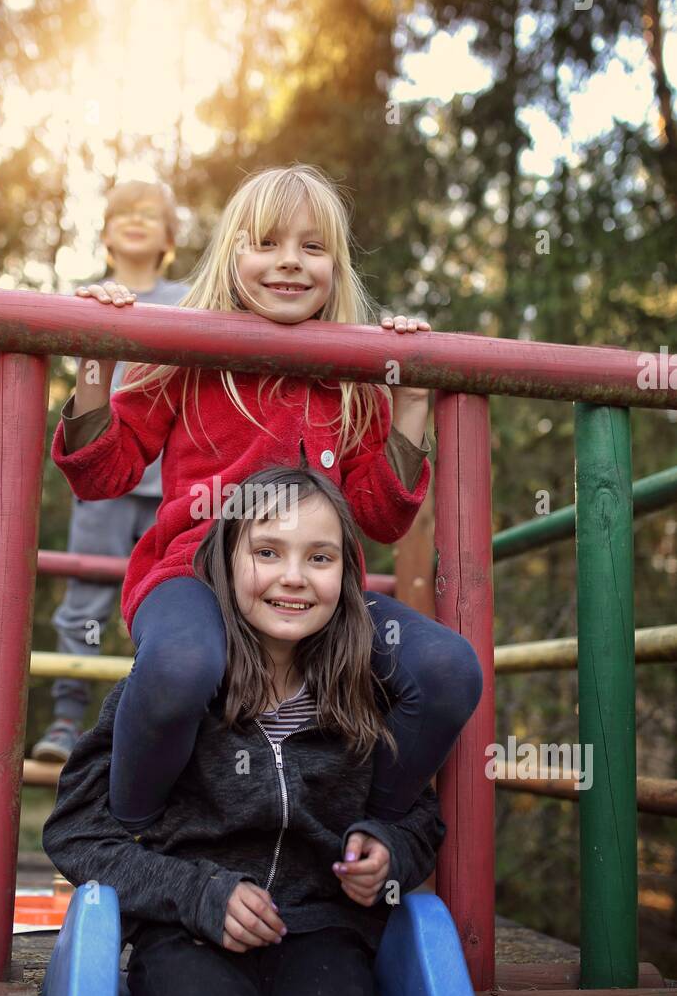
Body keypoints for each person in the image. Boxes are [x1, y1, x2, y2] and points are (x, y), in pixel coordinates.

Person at [52, 163, 483, 830]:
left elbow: (379, 517)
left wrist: (412, 400)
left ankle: (357, 834)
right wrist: (94, 363)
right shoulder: (186, 351)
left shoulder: (354, 374)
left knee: (448, 670)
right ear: (232, 254)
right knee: (183, 664)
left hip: (315, 591)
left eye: (313, 248)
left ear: (337, 267)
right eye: (268, 244)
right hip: (195, 575)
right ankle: (128, 831)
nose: (290, 263)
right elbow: (99, 475)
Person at [43, 465, 448, 996]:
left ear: (345, 578)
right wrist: (196, 891)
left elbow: (420, 819)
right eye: (267, 552)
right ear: (223, 563)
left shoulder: (362, 694)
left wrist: (385, 851)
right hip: (188, 938)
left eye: (319, 558)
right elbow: (76, 832)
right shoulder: (168, 698)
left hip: (322, 934)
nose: (294, 577)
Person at [0, 179, 189, 761]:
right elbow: (4, 334)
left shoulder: (191, 298)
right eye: (122, 213)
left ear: (169, 237)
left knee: (184, 596)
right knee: (87, 593)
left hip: (176, 485)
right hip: (104, 481)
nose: (135, 221)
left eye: (149, 214)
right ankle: (67, 717)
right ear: (103, 234)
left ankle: (171, 723)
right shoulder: (87, 298)